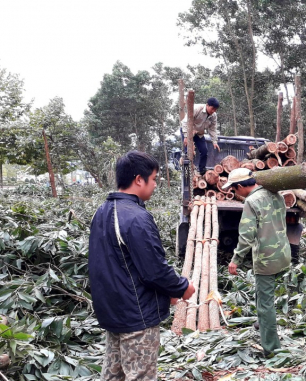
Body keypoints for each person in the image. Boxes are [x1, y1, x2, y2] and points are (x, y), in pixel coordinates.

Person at [88, 151, 195, 381]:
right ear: (139, 179)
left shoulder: (102, 212)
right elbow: (153, 270)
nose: (155, 185)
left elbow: (115, 265)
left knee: (113, 375)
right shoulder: (136, 216)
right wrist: (180, 287)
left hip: (114, 312)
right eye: (154, 179)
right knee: (140, 375)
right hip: (137, 317)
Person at [222, 168, 291, 356]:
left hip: (266, 260)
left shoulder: (251, 202)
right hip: (283, 254)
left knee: (265, 304)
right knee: (264, 294)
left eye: (234, 190)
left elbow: (246, 235)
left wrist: (235, 259)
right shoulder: (276, 194)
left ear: (239, 187)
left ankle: (272, 349)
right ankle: (261, 323)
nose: (235, 194)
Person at [182, 97, 221, 173]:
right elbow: (185, 122)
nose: (213, 111)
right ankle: (188, 171)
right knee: (189, 152)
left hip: (199, 133)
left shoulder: (213, 116)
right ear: (207, 105)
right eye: (212, 109)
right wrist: (186, 136)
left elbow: (212, 129)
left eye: (215, 110)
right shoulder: (196, 109)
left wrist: (214, 141)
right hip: (187, 130)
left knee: (204, 151)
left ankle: (202, 170)